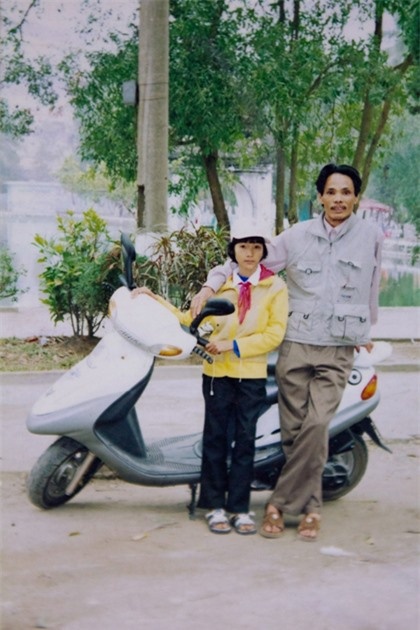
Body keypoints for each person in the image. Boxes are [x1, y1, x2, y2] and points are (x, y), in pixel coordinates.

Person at [190, 163, 383, 541]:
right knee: (293, 432)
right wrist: (211, 285)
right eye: (331, 192)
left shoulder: (371, 235)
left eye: (346, 192)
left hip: (338, 347)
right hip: (295, 344)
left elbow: (371, 285)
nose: (339, 199)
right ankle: (310, 509)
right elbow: (247, 261)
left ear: (356, 197)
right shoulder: (296, 236)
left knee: (316, 425)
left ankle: (279, 502)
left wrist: (366, 328)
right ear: (320, 197)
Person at [132, 220, 288, 535]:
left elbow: (275, 333)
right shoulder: (221, 286)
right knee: (215, 439)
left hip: (251, 375)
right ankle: (214, 506)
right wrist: (153, 299)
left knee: (244, 441)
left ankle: (240, 508)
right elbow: (191, 319)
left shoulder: (275, 287)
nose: (250, 253)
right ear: (233, 251)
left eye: (256, 247)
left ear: (263, 252)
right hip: (217, 374)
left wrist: (233, 345)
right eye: (243, 246)